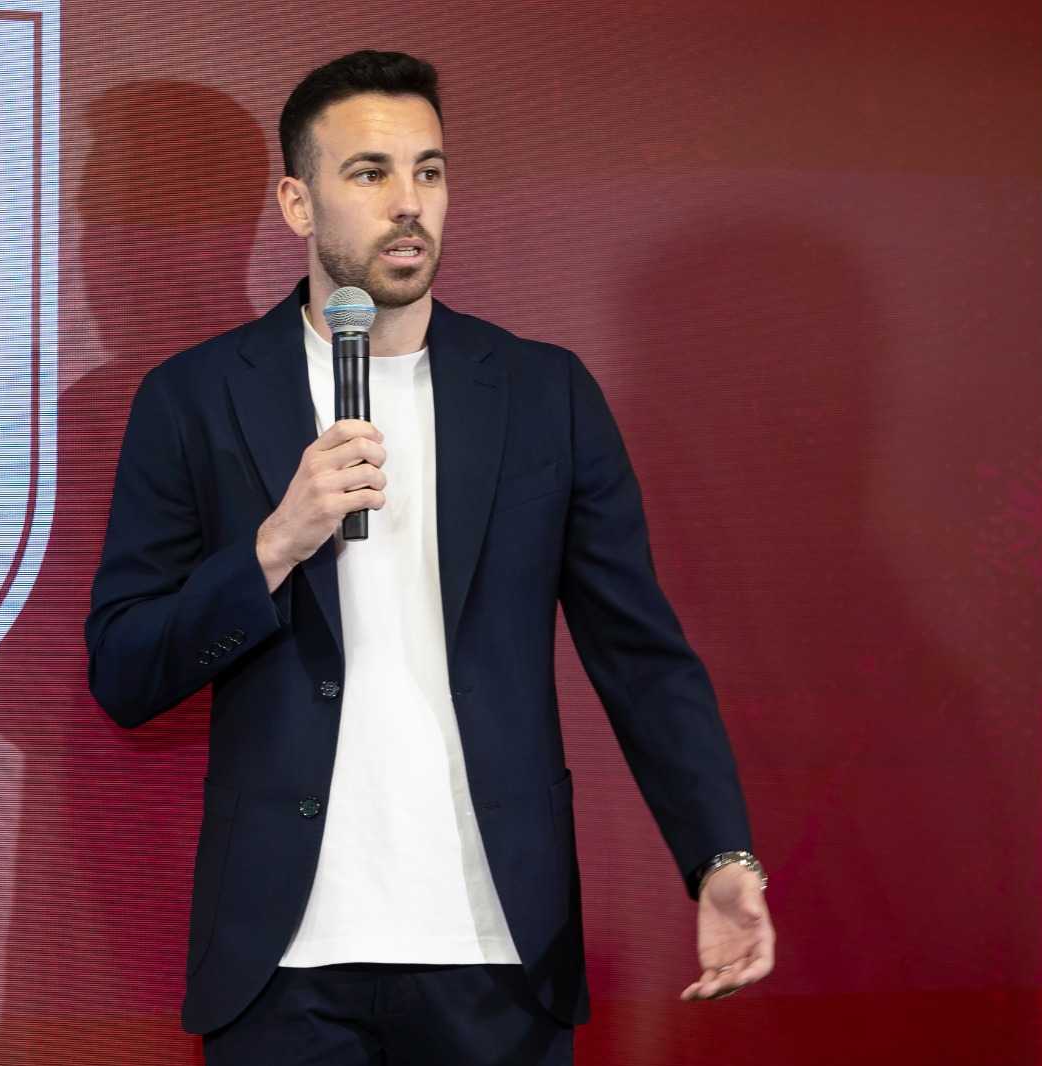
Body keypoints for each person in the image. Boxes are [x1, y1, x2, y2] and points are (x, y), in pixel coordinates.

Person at [85, 50, 774, 1065]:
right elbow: (124, 670)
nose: (409, 202)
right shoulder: (192, 399)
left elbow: (640, 655)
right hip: (282, 963)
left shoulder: (543, 394)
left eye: (430, 171)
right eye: (369, 173)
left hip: (497, 953)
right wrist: (275, 543)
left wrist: (717, 853)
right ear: (297, 202)